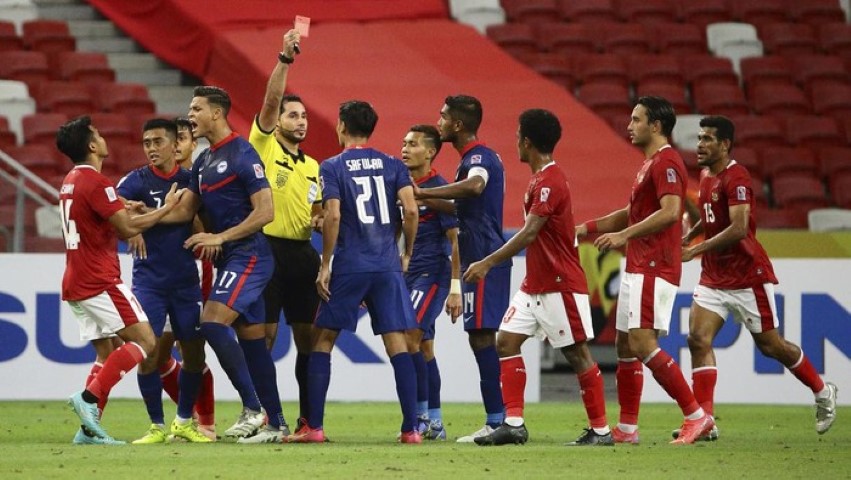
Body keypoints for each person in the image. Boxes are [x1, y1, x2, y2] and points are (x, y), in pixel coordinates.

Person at [679, 115, 837, 439]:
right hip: (714, 276)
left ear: (725, 144)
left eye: (707, 139)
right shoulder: (707, 175)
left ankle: (823, 391)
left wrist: (696, 249)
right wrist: (690, 235)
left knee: (771, 346)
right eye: (699, 138)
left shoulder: (737, 177)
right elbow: (711, 217)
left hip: (747, 276)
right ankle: (704, 421)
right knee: (697, 339)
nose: (700, 145)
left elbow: (738, 229)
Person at [464, 109, 611, 447]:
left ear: (527, 142)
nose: (516, 141)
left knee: (577, 354)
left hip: (560, 284)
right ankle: (514, 424)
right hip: (535, 284)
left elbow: (530, 233)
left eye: (518, 136)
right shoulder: (539, 179)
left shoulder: (550, 181)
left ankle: (601, 430)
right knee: (506, 341)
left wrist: (487, 262)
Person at [576, 96, 714, 445]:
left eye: (636, 120)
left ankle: (696, 416)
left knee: (641, 342)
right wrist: (586, 228)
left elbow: (671, 212)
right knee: (624, 344)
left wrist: (624, 236)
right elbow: (630, 212)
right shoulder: (649, 164)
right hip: (640, 264)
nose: (629, 126)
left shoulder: (667, 162)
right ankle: (627, 428)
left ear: (656, 125)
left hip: (654, 265)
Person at [285, 100, 421, 444]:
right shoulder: (393, 164)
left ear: (342, 126)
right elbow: (411, 210)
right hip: (387, 265)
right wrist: (406, 252)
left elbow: (332, 214)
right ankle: (411, 430)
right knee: (397, 342)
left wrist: (325, 263)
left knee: (323, 340)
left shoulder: (332, 166)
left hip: (350, 265)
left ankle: (314, 428)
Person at [163, 85, 290, 443]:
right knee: (253, 343)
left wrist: (219, 237)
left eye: (196, 108)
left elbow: (265, 212)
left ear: (216, 113)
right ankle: (277, 424)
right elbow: (185, 211)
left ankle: (253, 408)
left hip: (250, 255)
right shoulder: (204, 160)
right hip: (233, 257)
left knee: (212, 323)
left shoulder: (243, 153)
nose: (190, 115)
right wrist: (147, 216)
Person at [56, 115, 183, 444]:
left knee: (107, 351)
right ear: (92, 145)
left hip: (75, 281)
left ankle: (88, 431)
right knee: (146, 342)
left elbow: (96, 213)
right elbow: (126, 229)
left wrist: (124, 205)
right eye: (98, 134)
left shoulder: (71, 180)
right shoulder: (97, 182)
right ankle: (88, 399)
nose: (103, 137)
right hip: (99, 281)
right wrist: (166, 208)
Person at [414, 94, 510, 442]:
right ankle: (499, 418)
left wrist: (425, 195)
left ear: (457, 124)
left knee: (483, 336)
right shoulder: (467, 160)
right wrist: (418, 196)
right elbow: (459, 205)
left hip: (485, 257)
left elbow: (476, 185)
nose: (438, 121)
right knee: (479, 337)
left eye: (442, 116)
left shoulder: (478, 157)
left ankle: (498, 420)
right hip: (476, 258)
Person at [116, 118, 214, 443]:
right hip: (149, 283)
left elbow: (199, 219)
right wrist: (134, 226)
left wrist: (143, 218)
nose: (151, 149)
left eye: (158, 142)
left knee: (195, 354)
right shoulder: (135, 180)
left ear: (175, 145)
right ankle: (156, 425)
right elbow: (117, 215)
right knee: (149, 353)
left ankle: (184, 421)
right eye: (146, 143)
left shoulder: (191, 180)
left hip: (186, 282)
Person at [248, 29, 322, 432]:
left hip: (303, 254)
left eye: (304, 116)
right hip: (268, 251)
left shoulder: (314, 166)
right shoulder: (264, 147)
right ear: (276, 122)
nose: (300, 121)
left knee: (309, 340)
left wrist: (320, 220)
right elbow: (270, 100)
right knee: (265, 337)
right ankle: (265, 418)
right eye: (293, 115)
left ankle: (307, 422)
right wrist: (285, 59)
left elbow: (317, 212)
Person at [400, 124, 462, 440]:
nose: (405, 148)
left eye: (413, 144)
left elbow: (455, 240)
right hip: (407, 275)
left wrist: (455, 288)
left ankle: (421, 417)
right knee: (424, 347)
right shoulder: (400, 183)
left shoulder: (440, 188)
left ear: (430, 151)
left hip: (432, 274)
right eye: (404, 143)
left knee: (409, 338)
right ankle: (435, 423)